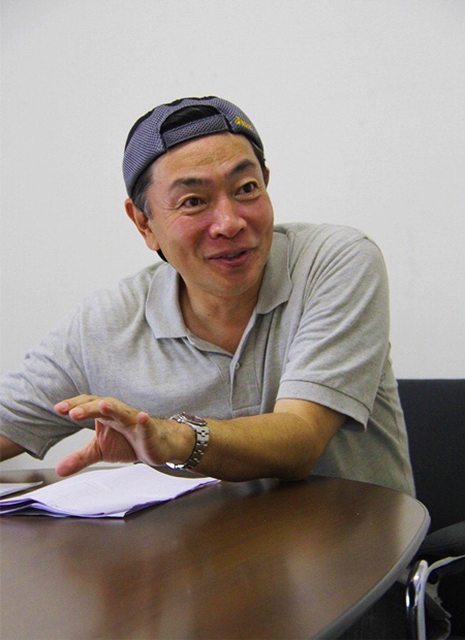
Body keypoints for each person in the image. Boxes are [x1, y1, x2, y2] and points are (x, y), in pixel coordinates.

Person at [0, 96, 414, 498]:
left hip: (356, 544)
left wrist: (175, 438)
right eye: (194, 201)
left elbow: (301, 438)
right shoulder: (107, 323)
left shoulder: (334, 262)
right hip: (199, 547)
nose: (229, 223)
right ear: (144, 223)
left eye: (246, 188)